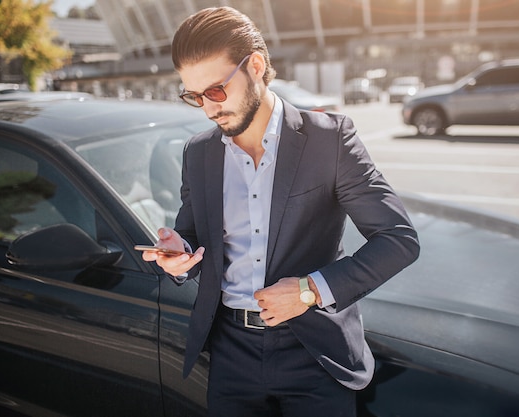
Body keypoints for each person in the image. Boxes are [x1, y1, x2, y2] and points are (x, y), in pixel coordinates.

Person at [142, 6, 420, 416]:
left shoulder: (330, 141)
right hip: (230, 354)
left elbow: (398, 240)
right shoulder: (199, 152)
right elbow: (196, 241)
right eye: (194, 96)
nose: (208, 109)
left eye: (216, 91)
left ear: (255, 65)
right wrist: (180, 253)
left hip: (314, 353)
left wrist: (309, 290)